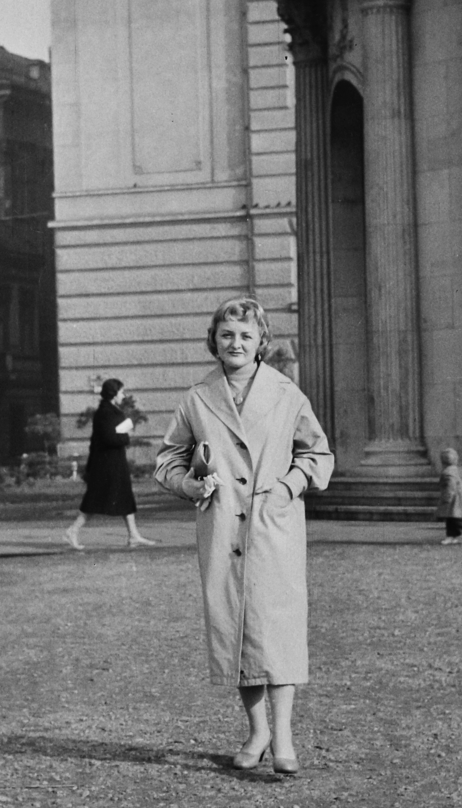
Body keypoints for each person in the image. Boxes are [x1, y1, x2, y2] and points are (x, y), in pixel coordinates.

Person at [155, 296, 333, 776]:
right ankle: (256, 732)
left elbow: (317, 455)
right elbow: (167, 458)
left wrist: (287, 488)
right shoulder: (197, 398)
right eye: (227, 334)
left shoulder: (286, 393)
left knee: (277, 629)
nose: (236, 343)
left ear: (262, 344)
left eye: (246, 336)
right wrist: (189, 484)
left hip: (273, 526)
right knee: (235, 631)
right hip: (221, 527)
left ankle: (285, 738)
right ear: (214, 340)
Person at [64, 380, 156, 551]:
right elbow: (109, 438)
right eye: (121, 392)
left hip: (113, 461)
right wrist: (126, 436)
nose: (123, 395)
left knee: (124, 496)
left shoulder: (108, 411)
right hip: (107, 464)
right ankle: (73, 530)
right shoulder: (106, 412)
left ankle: (133, 535)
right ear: (114, 393)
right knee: (95, 499)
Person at [435, 447, 462, 544]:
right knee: (450, 518)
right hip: (456, 498)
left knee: (455, 519)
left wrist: (446, 498)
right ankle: (451, 536)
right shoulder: (454, 470)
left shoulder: (447, 472)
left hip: (455, 500)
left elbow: (450, 487)